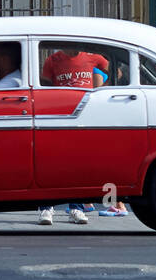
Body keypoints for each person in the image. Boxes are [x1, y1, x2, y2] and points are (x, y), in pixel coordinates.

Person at [37, 44, 108, 226]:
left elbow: (110, 69)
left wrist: (101, 87)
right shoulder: (53, 60)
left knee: (78, 165)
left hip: (85, 117)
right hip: (60, 117)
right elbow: (45, 85)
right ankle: (47, 207)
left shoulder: (93, 57)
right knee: (53, 164)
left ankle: (76, 207)